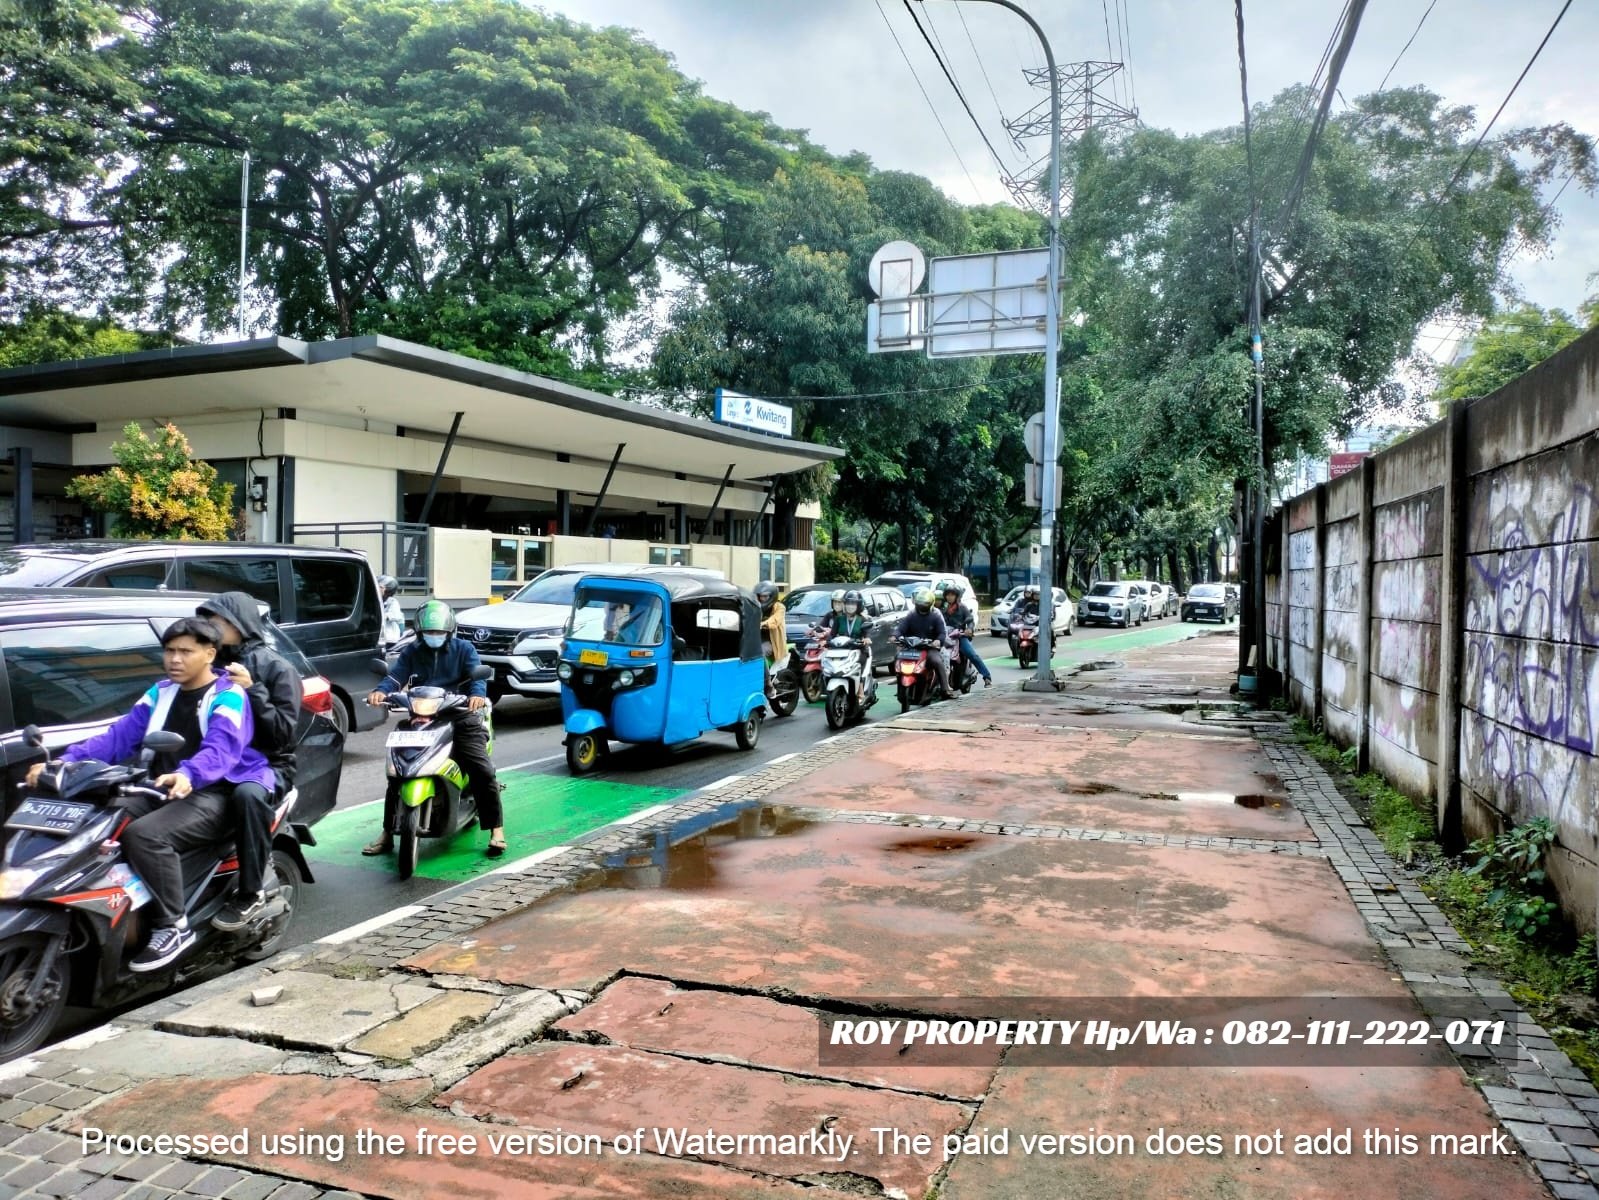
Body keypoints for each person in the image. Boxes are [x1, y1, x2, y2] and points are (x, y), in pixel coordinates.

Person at [25, 618, 274, 972]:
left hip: (215, 791)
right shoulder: (160, 692)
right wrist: (62, 764)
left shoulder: (228, 696)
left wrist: (189, 773)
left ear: (209, 654)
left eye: (185, 651)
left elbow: (222, 749)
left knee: (145, 836)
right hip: (160, 785)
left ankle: (173, 926)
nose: (175, 659)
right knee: (100, 818)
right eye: (170, 651)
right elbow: (115, 738)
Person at [363, 599, 506, 858]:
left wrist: (475, 696)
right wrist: (381, 691)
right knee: (397, 772)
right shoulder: (413, 652)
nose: (434, 637)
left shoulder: (464, 649)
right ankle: (387, 833)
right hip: (421, 717)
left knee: (481, 769)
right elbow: (395, 677)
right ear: (420, 632)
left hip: (460, 715)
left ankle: (496, 829)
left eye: (439, 632)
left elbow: (477, 677)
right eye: (429, 632)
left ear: (449, 631)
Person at [195, 592, 302, 931]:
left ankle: (252, 891)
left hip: (268, 765)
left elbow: (283, 736)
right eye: (208, 620)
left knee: (247, 795)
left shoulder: (277, 668)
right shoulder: (206, 664)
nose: (211, 627)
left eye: (218, 621)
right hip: (215, 759)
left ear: (239, 624)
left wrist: (253, 690)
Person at [894, 587, 956, 699]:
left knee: (937, 661)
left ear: (930, 604)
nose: (922, 606)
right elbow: (901, 628)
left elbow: (942, 633)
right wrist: (895, 636)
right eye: (920, 603)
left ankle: (945, 689)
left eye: (925, 603)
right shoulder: (911, 614)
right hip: (911, 647)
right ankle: (899, 683)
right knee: (898, 658)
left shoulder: (935, 615)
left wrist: (937, 641)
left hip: (929, 648)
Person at [939, 579, 992, 688]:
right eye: (948, 595)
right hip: (945, 637)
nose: (950, 597)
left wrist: (969, 629)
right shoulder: (942, 609)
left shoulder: (962, 608)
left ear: (957, 596)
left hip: (959, 637)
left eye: (952, 595)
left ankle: (987, 677)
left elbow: (970, 620)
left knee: (972, 654)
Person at [754, 580, 785, 696]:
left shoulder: (779, 607)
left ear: (772, 596)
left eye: (765, 596)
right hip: (755, 639)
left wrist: (763, 623)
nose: (762, 599)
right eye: (760, 596)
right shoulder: (756, 606)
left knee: (759, 653)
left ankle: (768, 684)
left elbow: (775, 620)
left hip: (771, 642)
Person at [378, 574, 405, 648]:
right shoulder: (376, 601)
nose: (377, 588)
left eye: (380, 587)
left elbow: (396, 615)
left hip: (390, 638)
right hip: (377, 636)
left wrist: (385, 616)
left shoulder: (392, 602)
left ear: (388, 590)